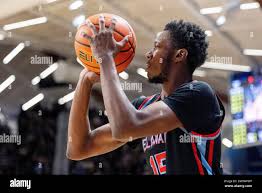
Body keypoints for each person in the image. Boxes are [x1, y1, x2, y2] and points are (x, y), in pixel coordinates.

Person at [66, 15, 225, 175]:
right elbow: (79, 148)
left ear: (179, 55)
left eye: (157, 47)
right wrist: (84, 81)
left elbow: (125, 128)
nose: (149, 54)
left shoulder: (199, 95)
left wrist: (106, 58)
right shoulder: (142, 108)